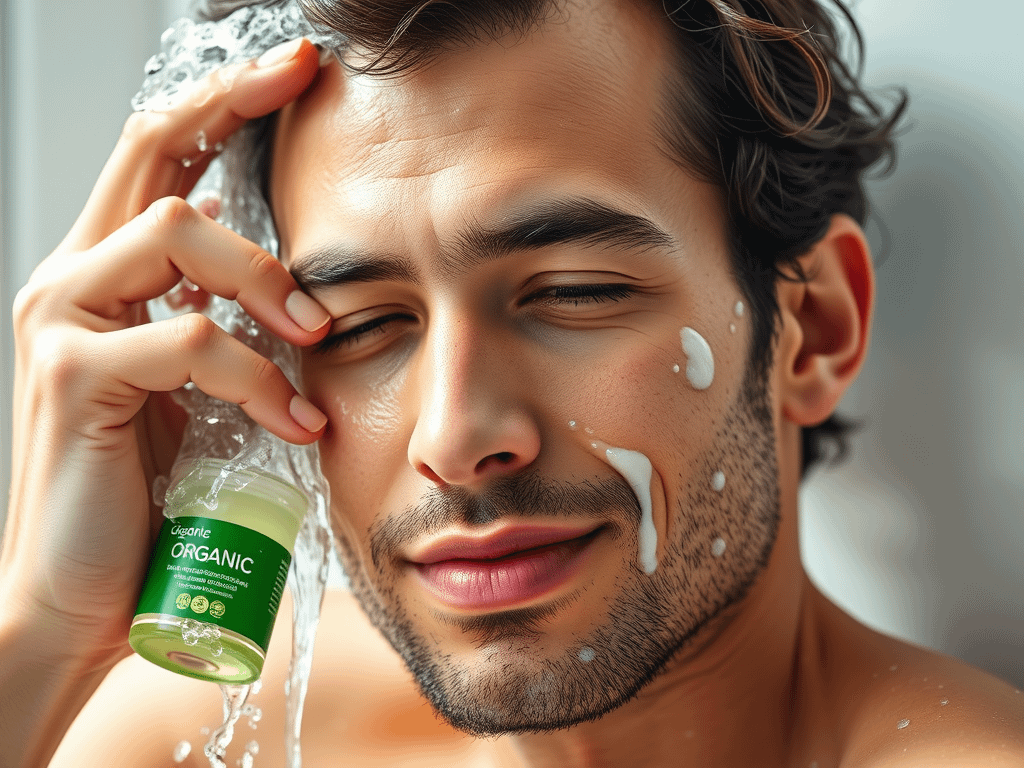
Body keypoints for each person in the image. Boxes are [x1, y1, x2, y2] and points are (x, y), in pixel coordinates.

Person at [3, 0, 1023, 766]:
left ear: (815, 333)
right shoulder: (217, 732)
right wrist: (46, 632)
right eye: (359, 325)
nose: (453, 435)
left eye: (573, 293)